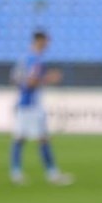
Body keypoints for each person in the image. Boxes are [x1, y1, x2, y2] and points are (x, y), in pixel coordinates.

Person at [10, 30, 73, 186]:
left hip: (25, 102)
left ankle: (16, 172)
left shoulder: (24, 59)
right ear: (39, 41)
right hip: (31, 104)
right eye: (46, 42)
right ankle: (51, 173)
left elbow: (15, 78)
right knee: (40, 139)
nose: (47, 45)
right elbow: (31, 82)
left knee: (21, 138)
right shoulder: (35, 60)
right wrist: (49, 78)